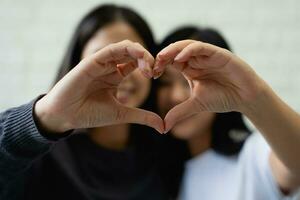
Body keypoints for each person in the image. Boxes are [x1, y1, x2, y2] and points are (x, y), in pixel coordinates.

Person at [0, 4, 168, 200]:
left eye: (133, 58)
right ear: (76, 66)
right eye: (104, 58)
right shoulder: (41, 156)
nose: (120, 73)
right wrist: (44, 118)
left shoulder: (165, 153)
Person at [154, 26, 300, 199]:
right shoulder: (155, 172)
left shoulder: (252, 154)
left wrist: (254, 96)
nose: (176, 96)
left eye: (190, 82)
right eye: (165, 83)